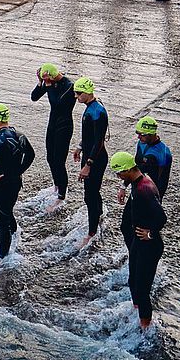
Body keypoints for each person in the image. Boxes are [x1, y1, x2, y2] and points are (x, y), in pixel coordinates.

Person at [110, 151, 167, 329]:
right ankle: (137, 314)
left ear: (127, 169)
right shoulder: (137, 178)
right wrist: (123, 187)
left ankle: (145, 328)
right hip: (138, 242)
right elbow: (129, 176)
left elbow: (162, 218)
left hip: (150, 245)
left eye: (119, 173)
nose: (118, 176)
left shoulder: (144, 190)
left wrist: (150, 234)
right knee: (133, 281)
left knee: (142, 289)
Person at [0, 103, 35, 260]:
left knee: (2, 221)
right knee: (8, 210)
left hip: (2, 185)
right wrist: (18, 171)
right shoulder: (20, 135)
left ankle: (2, 257)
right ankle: (15, 235)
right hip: (15, 183)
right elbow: (31, 155)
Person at [31, 63, 76, 211]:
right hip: (53, 124)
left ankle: (62, 195)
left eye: (47, 79)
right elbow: (34, 97)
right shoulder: (51, 82)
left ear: (52, 76)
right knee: (50, 157)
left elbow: (56, 103)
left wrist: (49, 85)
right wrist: (40, 83)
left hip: (65, 126)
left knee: (59, 160)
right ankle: (56, 185)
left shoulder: (69, 86)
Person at [72, 76, 108, 248]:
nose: (76, 97)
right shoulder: (89, 107)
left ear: (87, 92)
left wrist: (88, 164)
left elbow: (99, 141)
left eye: (78, 93)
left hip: (96, 159)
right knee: (91, 193)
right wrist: (79, 147)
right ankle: (98, 215)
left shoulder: (98, 112)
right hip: (89, 155)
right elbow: (88, 135)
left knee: (90, 195)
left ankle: (91, 232)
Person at [130, 116, 172, 199]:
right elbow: (135, 168)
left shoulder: (163, 153)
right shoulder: (141, 143)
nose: (138, 137)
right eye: (137, 133)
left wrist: (156, 199)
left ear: (152, 134)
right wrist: (124, 186)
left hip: (151, 193)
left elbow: (162, 181)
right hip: (136, 187)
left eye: (142, 134)